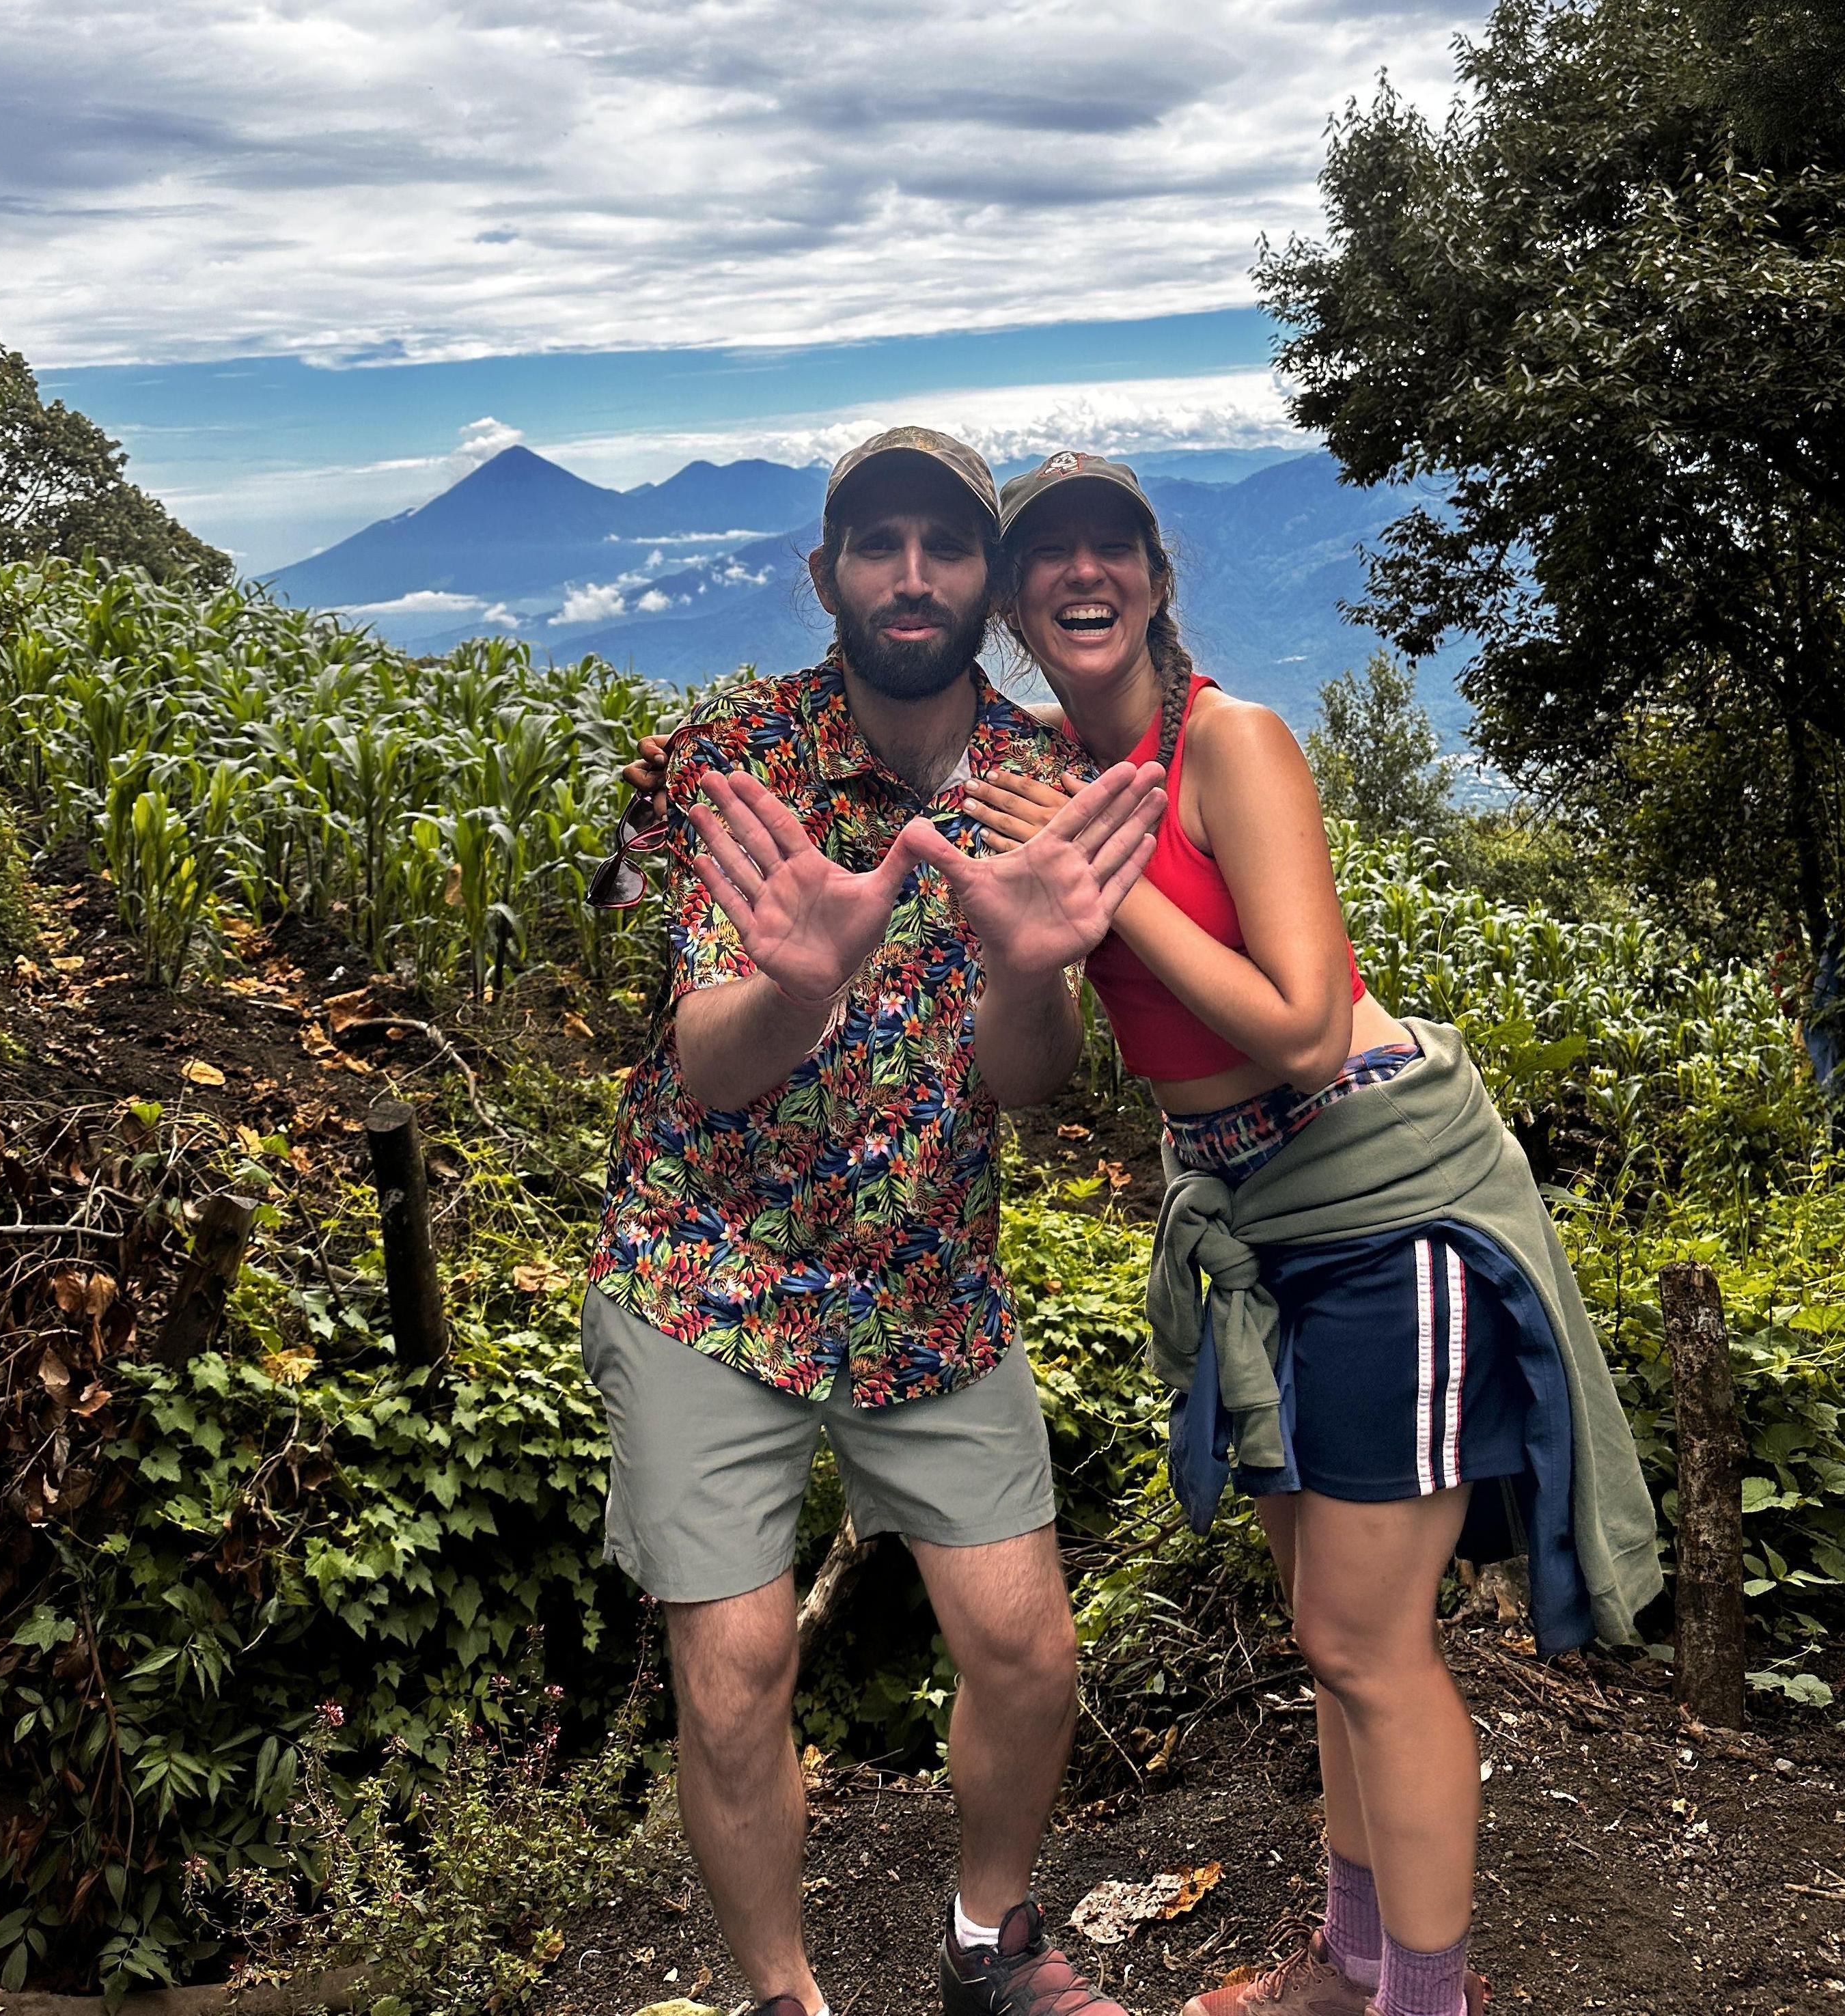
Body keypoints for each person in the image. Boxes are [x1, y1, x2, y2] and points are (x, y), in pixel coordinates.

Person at [953, 452, 1662, 2016]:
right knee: (1329, 1632)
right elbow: (1026, 1070)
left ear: (1153, 577)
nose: (1082, 573)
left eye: (1111, 547)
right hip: (1253, 1222)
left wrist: (1102, 875)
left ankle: (1424, 1998)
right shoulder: (1042, 779)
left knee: (1366, 1641)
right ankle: (1351, 1970)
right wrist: (1027, 926)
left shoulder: (1233, 744)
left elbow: (1297, 1023)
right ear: (1012, 602)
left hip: (1381, 1200)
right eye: (1047, 554)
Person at [583, 428, 1165, 2016]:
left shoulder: (1040, 782)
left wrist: (1032, 965)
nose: (913, 577)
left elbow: (1030, 1086)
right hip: (707, 1265)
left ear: (989, 582)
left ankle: (990, 1943)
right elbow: (704, 1068)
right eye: (878, 544)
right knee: (738, 1671)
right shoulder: (734, 761)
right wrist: (801, 978)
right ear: (825, 570)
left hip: (923, 1272)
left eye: (947, 548)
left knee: (1029, 1652)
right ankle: (785, 1995)